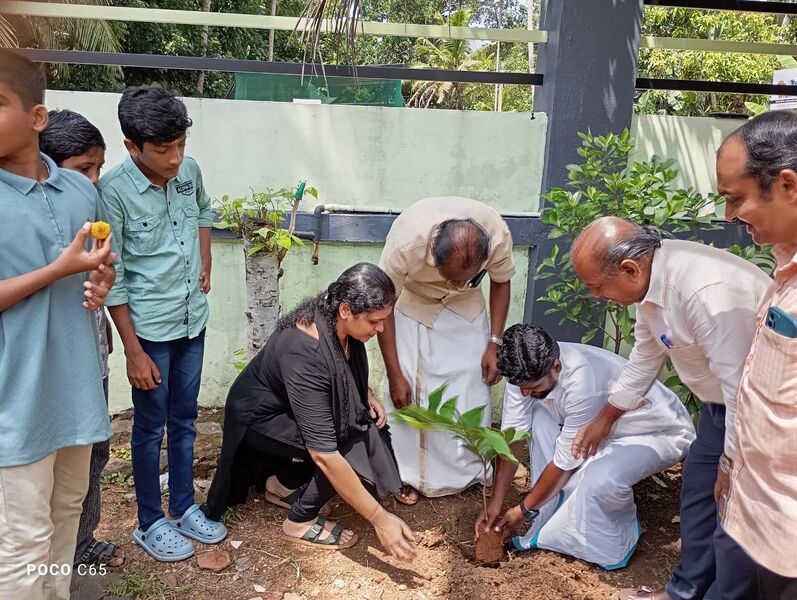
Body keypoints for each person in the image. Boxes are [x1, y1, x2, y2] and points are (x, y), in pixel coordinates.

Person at [568, 217, 771, 600]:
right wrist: (605, 419)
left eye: (597, 285)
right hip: (720, 409)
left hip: (755, 414)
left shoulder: (705, 293)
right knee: (698, 495)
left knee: (735, 517)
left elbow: (739, 388)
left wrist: (732, 464)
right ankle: (685, 593)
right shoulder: (650, 286)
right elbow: (646, 354)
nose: (595, 295)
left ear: (629, 268)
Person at [203, 263, 416, 559]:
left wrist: (363, 394)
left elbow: (341, 369)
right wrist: (379, 519)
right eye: (374, 321)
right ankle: (300, 520)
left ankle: (282, 485)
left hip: (288, 407)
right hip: (260, 419)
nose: (380, 329)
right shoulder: (304, 350)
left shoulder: (337, 323)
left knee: (363, 422)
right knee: (347, 441)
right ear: (345, 310)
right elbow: (324, 454)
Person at [0, 49, 115, 599]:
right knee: (22, 541)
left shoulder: (80, 189)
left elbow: (99, 261)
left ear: (36, 117)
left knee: (68, 513)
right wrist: (58, 269)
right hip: (14, 397)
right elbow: (65, 264)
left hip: (75, 383)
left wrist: (101, 279)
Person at [99, 85, 225, 562]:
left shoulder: (188, 171)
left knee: (186, 420)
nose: (175, 159)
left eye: (180, 146)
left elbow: (205, 209)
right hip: (150, 332)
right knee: (150, 428)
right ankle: (150, 521)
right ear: (132, 146)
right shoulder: (112, 192)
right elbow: (114, 278)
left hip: (193, 320)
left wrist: (206, 256)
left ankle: (185, 505)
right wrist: (132, 350)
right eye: (162, 150)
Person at [474, 324, 694, 569]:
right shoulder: (523, 371)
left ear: (556, 367)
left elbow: (564, 464)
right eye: (521, 387)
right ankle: (551, 506)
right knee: (538, 418)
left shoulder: (583, 383)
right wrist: (496, 502)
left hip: (654, 432)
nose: (525, 393)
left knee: (601, 480)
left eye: (533, 388)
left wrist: (522, 510)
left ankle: (615, 537)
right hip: (600, 426)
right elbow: (512, 438)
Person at [377, 196, 515, 501]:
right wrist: (394, 371)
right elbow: (383, 308)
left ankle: (470, 471)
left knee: (470, 388)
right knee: (409, 392)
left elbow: (502, 282)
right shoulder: (405, 242)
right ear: (432, 256)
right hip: (414, 306)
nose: (455, 285)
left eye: (465, 279)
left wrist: (495, 342)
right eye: (451, 278)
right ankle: (407, 475)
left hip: (467, 310)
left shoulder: (497, 235)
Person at [39, 108, 125, 569]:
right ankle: (50, 558)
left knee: (95, 453)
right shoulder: (32, 221)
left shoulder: (91, 216)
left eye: (99, 167)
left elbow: (98, 283)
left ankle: (82, 541)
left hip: (92, 359)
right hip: (49, 371)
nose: (94, 180)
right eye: (82, 169)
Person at [716, 110, 797, 599]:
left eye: (736, 199)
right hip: (767, 525)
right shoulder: (785, 267)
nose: (730, 217)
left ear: (787, 185)